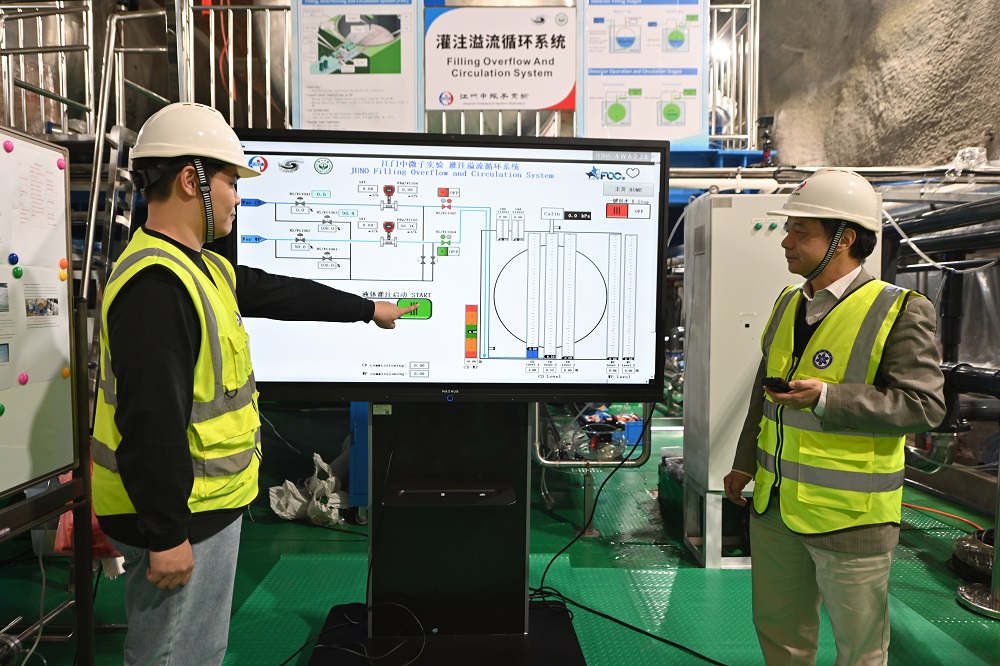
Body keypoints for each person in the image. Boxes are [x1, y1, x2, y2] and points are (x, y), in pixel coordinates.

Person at [90, 102, 418, 665]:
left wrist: (368, 310)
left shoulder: (201, 267)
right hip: (180, 515)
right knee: (176, 654)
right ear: (191, 179)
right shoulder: (157, 287)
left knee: (198, 648)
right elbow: (150, 421)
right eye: (231, 182)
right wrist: (167, 535)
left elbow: (282, 293)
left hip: (201, 505)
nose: (237, 198)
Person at [722, 168, 946, 666]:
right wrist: (743, 463)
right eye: (788, 230)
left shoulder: (899, 310)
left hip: (851, 518)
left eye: (800, 232)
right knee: (780, 634)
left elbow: (924, 406)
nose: (785, 241)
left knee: (860, 649)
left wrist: (828, 398)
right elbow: (763, 394)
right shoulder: (787, 303)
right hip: (776, 507)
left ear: (843, 239)